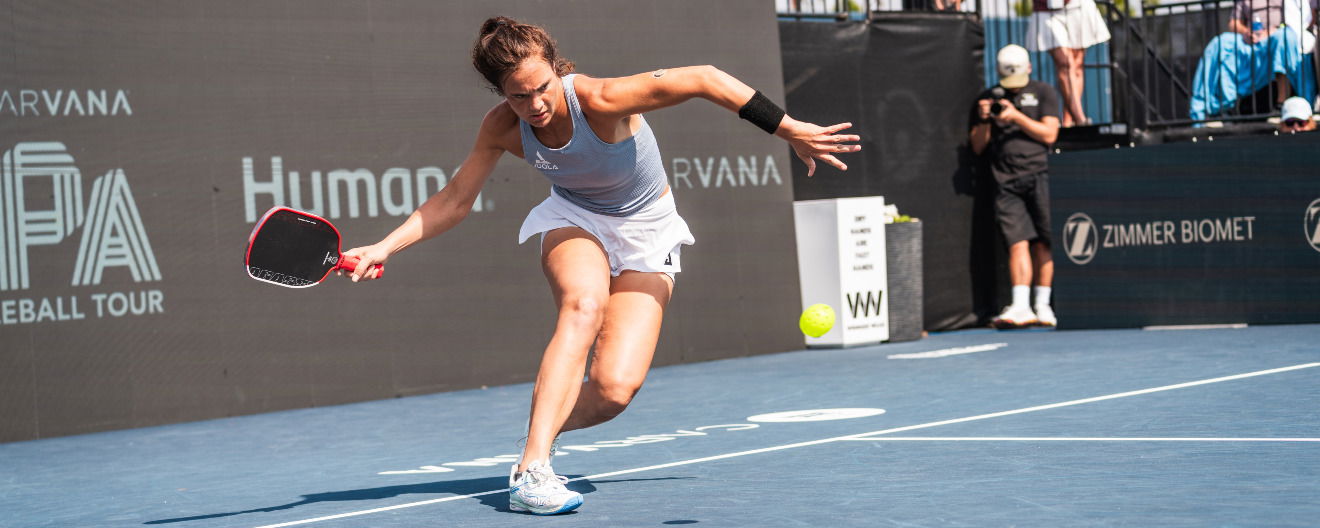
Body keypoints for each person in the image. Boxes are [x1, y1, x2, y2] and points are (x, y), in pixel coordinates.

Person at [339, 16, 860, 515]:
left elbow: (703, 78)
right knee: (582, 306)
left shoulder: (600, 99)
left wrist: (787, 128)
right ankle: (533, 470)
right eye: (518, 96)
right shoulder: (500, 126)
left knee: (613, 391)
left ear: (556, 69)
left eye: (542, 87)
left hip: (649, 230)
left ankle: (543, 428)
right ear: (502, 94)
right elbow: (454, 199)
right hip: (575, 218)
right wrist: (384, 246)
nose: (535, 104)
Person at [969, 45, 1062, 329]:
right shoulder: (987, 98)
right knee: (1016, 241)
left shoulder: (1044, 91)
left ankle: (1043, 305)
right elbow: (977, 146)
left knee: (1045, 241)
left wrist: (1016, 118)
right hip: (1005, 179)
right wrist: (987, 119)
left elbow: (1050, 134)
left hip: (1040, 174)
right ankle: (1021, 305)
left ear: (1029, 68)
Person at [1189, 0, 1318, 122]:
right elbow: (1234, 23)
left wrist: (1273, 30)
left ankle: (1281, 104)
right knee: (1220, 43)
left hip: (1278, 35)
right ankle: (1219, 108)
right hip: (1251, 43)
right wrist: (1246, 32)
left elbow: (1295, 20)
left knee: (1284, 38)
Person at [1026, 0, 1111, 127]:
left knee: (1076, 66)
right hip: (1046, 9)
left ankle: (1068, 120)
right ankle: (1080, 119)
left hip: (1077, 6)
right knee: (1065, 63)